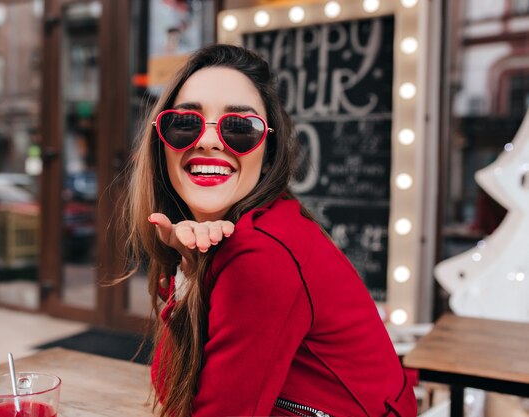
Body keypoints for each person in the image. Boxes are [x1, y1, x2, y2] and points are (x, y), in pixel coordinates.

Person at [121, 44, 416, 417]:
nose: (209, 140)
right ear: (161, 143)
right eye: (185, 123)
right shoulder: (251, 231)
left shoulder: (263, 254)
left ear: (268, 153)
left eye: (240, 127)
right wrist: (190, 268)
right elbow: (174, 388)